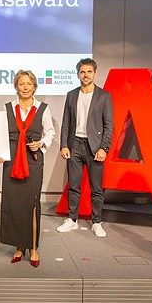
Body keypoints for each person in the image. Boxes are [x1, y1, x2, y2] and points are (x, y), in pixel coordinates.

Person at [0, 70, 55, 267]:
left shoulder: (43, 108)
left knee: (31, 204)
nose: (25, 87)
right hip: (11, 160)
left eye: (29, 84)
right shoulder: (8, 108)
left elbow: (50, 133)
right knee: (13, 204)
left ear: (34, 86)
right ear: (16, 86)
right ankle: (19, 246)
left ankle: (34, 247)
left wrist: (41, 144)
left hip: (33, 160)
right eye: (21, 84)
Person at [56, 58, 113, 237]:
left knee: (97, 188)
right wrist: (64, 145)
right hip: (75, 145)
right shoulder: (72, 95)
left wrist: (104, 148)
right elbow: (66, 122)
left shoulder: (104, 96)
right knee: (74, 185)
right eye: (82, 72)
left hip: (94, 147)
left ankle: (97, 222)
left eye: (89, 71)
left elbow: (109, 125)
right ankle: (72, 219)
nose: (85, 75)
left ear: (94, 73)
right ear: (78, 74)